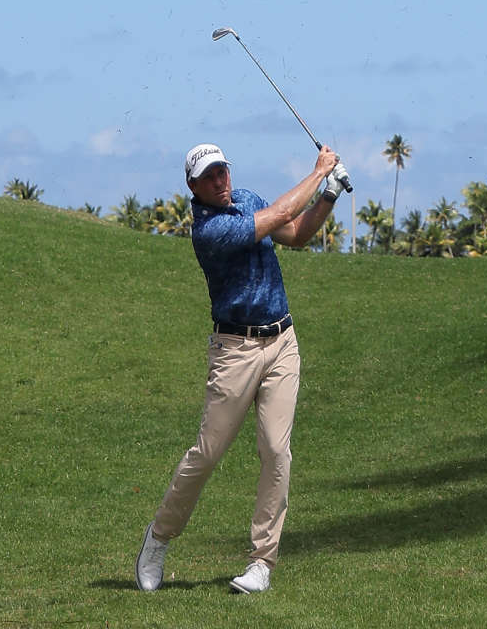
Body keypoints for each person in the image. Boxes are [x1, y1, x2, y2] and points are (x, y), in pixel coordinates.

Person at [136, 138, 343, 595]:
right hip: (235, 351)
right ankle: (159, 539)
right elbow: (276, 219)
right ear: (194, 186)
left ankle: (261, 562)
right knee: (207, 454)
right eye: (210, 177)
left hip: (283, 342)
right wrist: (319, 173)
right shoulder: (208, 231)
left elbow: (297, 233)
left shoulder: (245, 198)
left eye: (223, 171)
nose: (220, 181)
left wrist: (328, 195)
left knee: (276, 449)